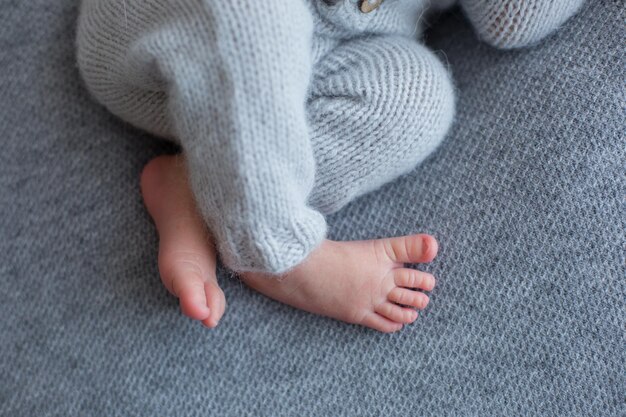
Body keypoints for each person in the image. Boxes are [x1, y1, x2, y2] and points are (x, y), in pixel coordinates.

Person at [77, 0, 584, 331]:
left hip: (327, 61)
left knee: (418, 96)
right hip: (162, 33)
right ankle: (274, 250)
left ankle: (200, 185)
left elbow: (512, 20)